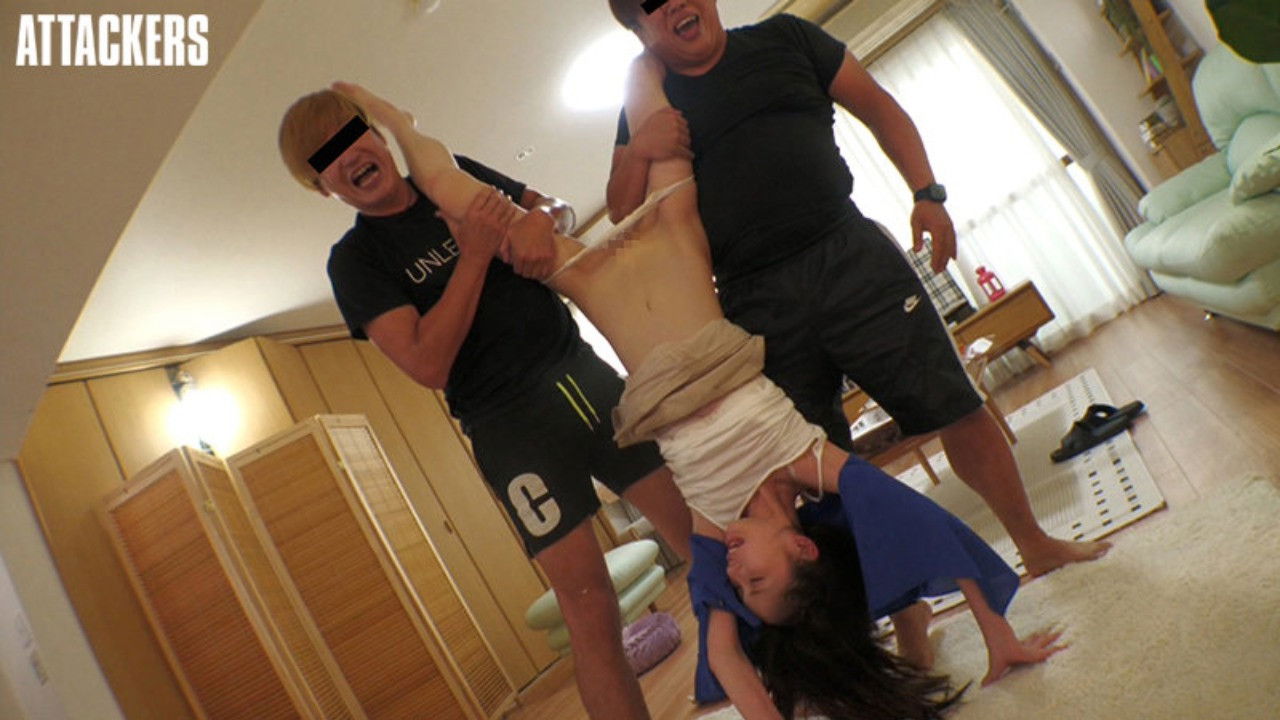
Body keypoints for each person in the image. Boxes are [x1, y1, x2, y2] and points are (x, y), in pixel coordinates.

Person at [334, 68, 1062, 720]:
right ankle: (638, 60)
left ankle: (400, 121)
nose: (735, 575)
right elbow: (934, 532)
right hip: (683, 265)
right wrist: (996, 632)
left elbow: (723, 658)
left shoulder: (714, 528)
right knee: (661, 120)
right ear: (801, 546)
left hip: (601, 297)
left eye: (738, 586)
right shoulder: (808, 459)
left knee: (452, 189)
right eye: (757, 578)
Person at [604, 0, 1110, 577]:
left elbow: (881, 108)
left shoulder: (787, 38)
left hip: (850, 256)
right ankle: (888, 612)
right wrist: (640, 148)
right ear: (639, 30)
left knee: (955, 405)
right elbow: (623, 213)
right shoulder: (648, 106)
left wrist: (927, 194)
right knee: (810, 471)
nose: (672, 2)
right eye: (650, 3)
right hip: (753, 301)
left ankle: (1034, 543)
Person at [277, 90, 693, 720]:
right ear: (323, 187)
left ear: (378, 137)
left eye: (349, 135)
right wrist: (473, 255)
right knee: (589, 612)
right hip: (507, 430)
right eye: (325, 159)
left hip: (581, 377)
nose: (346, 156)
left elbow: (553, 208)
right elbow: (426, 363)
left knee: (698, 532)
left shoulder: (449, 175)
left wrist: (540, 219)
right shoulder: (355, 262)